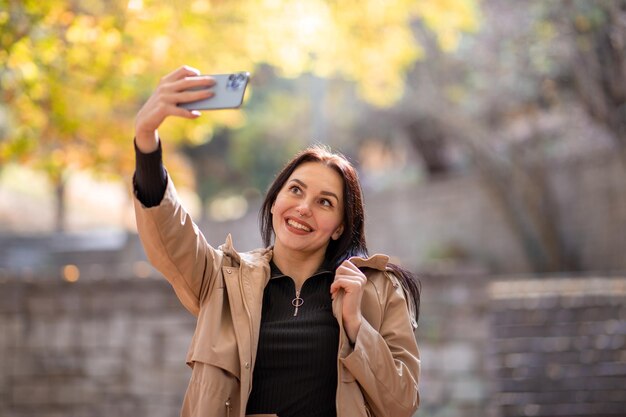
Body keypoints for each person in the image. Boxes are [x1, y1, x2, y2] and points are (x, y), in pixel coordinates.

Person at [132, 65, 421, 417]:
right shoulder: (222, 279)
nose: (303, 208)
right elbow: (170, 235)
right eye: (295, 191)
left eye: (325, 202)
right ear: (273, 203)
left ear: (339, 227)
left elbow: (402, 403)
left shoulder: (378, 290)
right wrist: (146, 140)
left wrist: (357, 325)